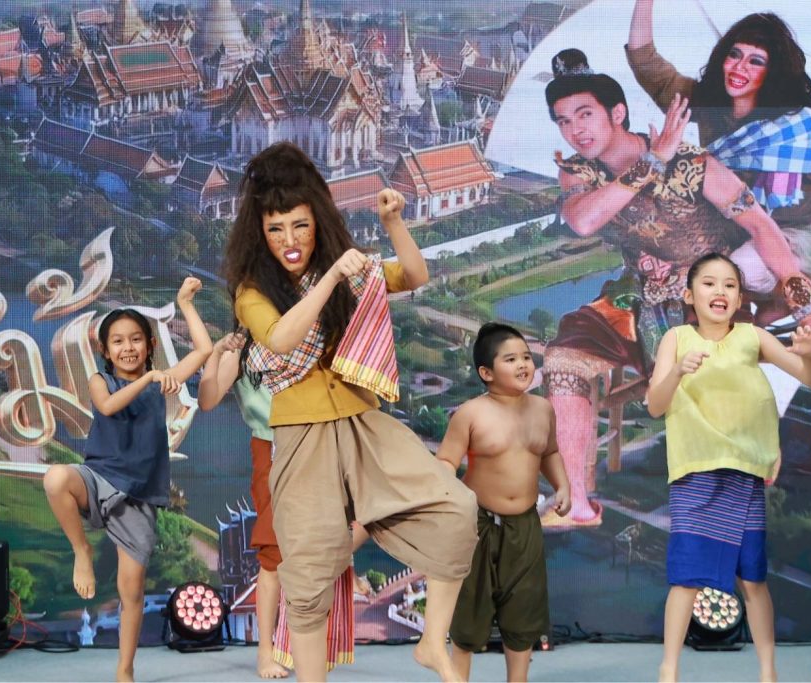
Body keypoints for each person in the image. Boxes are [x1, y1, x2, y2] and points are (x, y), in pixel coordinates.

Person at [224, 141, 477, 682]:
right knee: (308, 575)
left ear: (318, 221)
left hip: (366, 426)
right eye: (275, 229)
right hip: (301, 437)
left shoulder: (348, 271)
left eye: (300, 225)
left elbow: (414, 275)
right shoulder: (252, 291)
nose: (290, 240)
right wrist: (331, 278)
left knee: (458, 509)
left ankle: (432, 641)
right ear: (259, 233)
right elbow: (282, 339)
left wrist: (393, 224)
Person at [540, 49, 811, 528]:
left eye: (584, 115)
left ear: (617, 113)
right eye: (563, 121)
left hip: (713, 296)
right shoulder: (579, 171)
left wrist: (804, 301)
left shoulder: (693, 162)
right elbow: (583, 220)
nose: (575, 130)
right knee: (564, 360)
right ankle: (578, 504)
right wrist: (651, 161)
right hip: (638, 296)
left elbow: (761, 226)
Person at [646, 252, 811, 682]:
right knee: (685, 577)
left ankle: (768, 672)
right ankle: (668, 670)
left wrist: (808, 355)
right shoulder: (675, 339)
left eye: (729, 285)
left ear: (741, 298)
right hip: (695, 469)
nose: (719, 291)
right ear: (689, 295)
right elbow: (654, 405)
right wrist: (678, 372)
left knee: (753, 579)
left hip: (744, 470)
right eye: (709, 283)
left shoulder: (752, 336)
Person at [42, 278, 212, 683]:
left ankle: (125, 670)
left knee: (131, 590)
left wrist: (185, 304)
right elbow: (107, 406)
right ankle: (81, 550)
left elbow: (204, 351)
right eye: (118, 342)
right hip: (99, 479)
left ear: (150, 345)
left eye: (136, 339)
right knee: (55, 477)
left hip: (138, 497)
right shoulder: (102, 380)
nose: (128, 348)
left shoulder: (159, 382)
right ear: (105, 351)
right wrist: (149, 380)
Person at [628, 2, 811, 309]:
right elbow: (644, 60)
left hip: (804, 235)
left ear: (773, 72)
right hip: (740, 230)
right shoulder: (708, 103)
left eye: (755, 61)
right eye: (735, 55)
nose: (739, 67)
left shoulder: (796, 125)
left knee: (738, 270)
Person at [197, 331, 366, 678]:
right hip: (272, 447)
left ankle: (315, 644)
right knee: (273, 555)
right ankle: (266, 651)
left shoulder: (310, 335)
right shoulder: (243, 347)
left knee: (333, 539)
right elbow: (208, 400)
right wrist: (215, 354)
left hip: (320, 444)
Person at [436, 323, 570, 682]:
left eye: (526, 356)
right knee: (469, 610)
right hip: (477, 525)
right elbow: (446, 461)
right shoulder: (470, 413)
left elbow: (550, 452)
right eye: (510, 359)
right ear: (487, 372)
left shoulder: (542, 409)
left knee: (523, 608)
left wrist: (563, 486)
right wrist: (446, 499)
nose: (523, 364)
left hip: (524, 524)